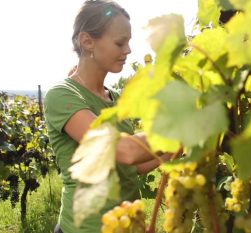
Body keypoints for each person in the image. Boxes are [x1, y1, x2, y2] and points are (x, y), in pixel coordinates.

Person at [43, 1, 171, 232]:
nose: (128, 50)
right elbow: (124, 150)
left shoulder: (118, 100)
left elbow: (132, 167)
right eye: (120, 43)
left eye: (129, 42)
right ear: (87, 41)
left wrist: (175, 148)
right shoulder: (61, 96)